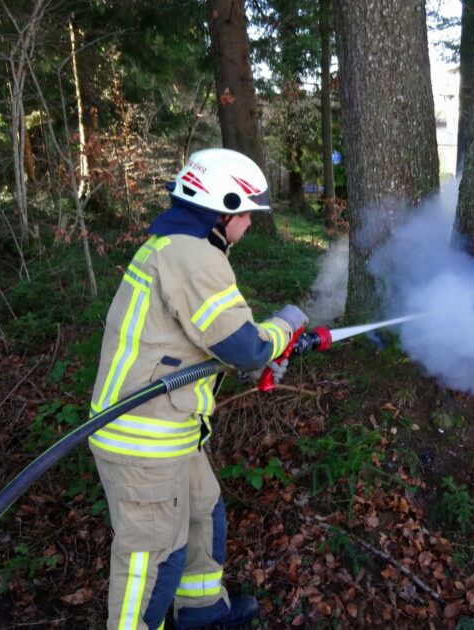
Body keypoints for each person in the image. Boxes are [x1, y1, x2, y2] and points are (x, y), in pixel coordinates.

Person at [89, 148, 307, 629]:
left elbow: (199, 343)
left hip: (170, 430)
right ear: (223, 209)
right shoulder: (192, 256)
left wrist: (264, 347)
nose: (249, 224)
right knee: (152, 559)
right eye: (246, 212)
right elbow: (243, 346)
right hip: (142, 440)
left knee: (204, 514)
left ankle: (202, 612)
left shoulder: (174, 245)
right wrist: (284, 328)